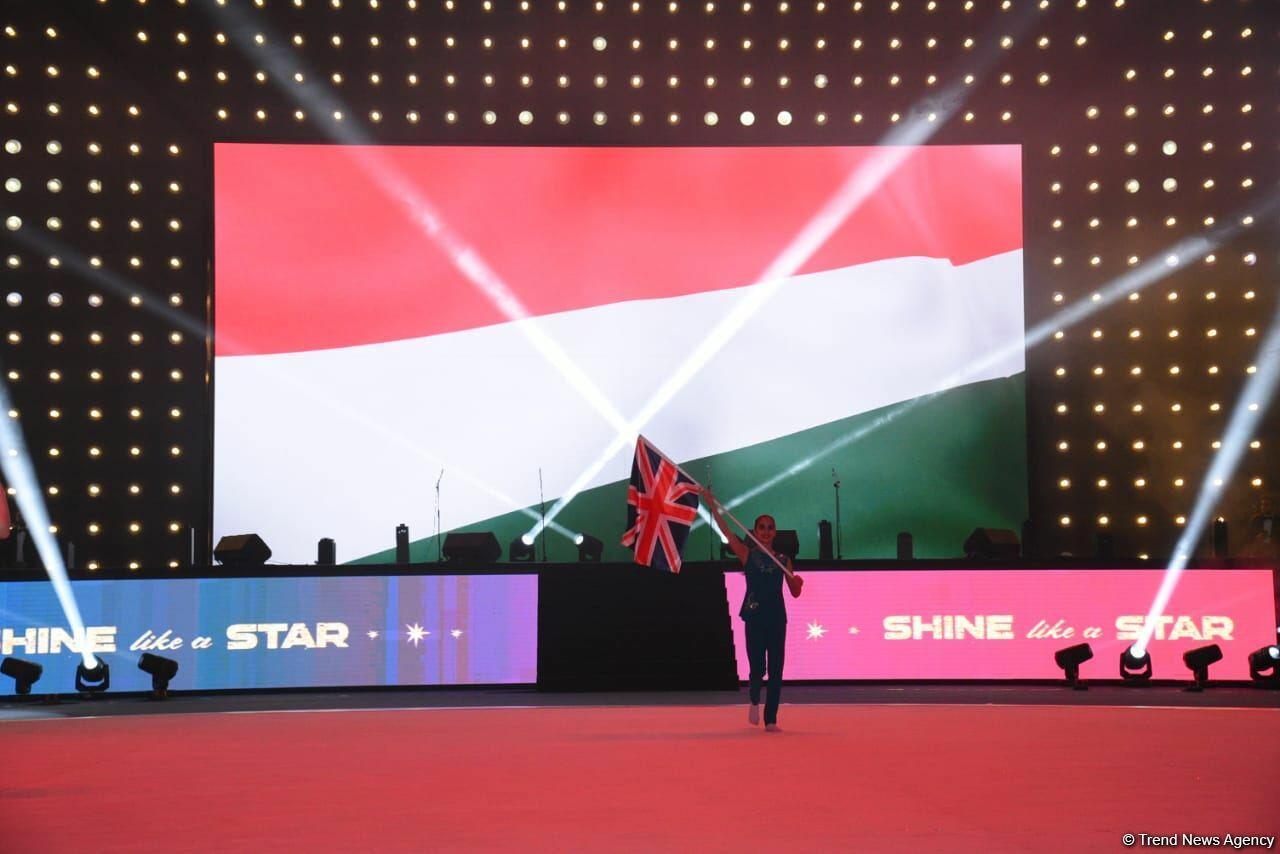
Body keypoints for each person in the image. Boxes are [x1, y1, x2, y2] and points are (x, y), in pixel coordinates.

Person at [702, 488, 799, 732]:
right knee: (758, 668)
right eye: (761, 528)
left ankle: (771, 718)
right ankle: (754, 699)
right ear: (755, 532)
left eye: (770, 528)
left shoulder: (784, 560)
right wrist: (712, 505)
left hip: (777, 618)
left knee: (776, 669)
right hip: (754, 616)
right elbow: (726, 531)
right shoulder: (747, 554)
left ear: (775, 532)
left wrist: (797, 582)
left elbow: (795, 592)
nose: (766, 531)